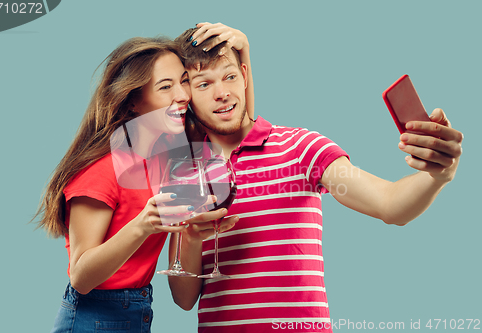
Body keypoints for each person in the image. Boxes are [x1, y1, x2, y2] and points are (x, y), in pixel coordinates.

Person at [167, 23, 464, 333]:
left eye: (229, 77)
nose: (222, 93)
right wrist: (189, 235)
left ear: (244, 75)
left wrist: (437, 176)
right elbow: (183, 298)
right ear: (186, 94)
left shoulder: (301, 148)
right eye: (204, 84)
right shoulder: (185, 174)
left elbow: (390, 205)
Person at [34, 25, 250, 333]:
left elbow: (241, 124)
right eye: (165, 87)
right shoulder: (102, 169)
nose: (182, 95)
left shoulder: (169, 155)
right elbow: (80, 277)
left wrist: (244, 52)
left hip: (138, 311)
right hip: (93, 317)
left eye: (184, 81)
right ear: (133, 101)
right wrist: (142, 225)